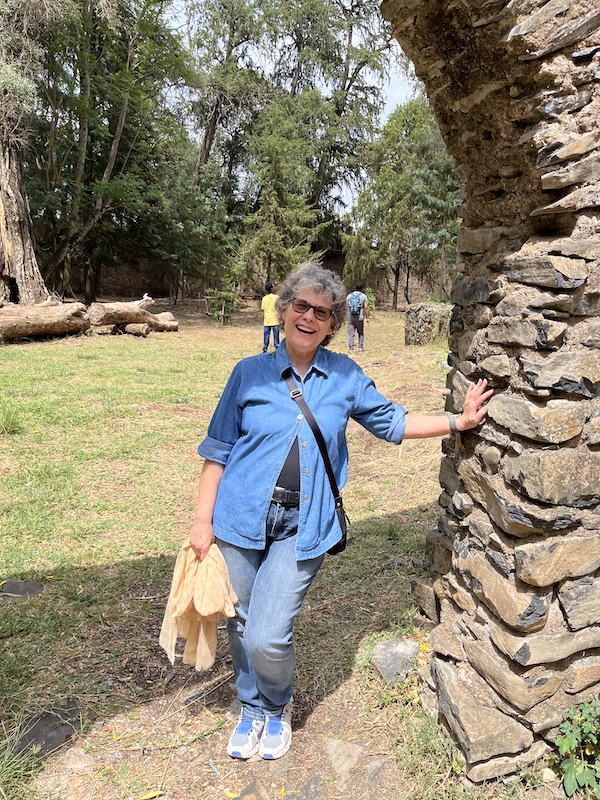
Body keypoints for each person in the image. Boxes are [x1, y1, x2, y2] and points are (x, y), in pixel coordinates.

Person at [190, 264, 492, 762]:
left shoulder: (344, 376)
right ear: (284, 309)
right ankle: (250, 707)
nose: (308, 317)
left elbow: (393, 420)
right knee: (241, 620)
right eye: (301, 306)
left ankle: (277, 704)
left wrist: (457, 420)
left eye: (321, 312)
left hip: (304, 525)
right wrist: (202, 522)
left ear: (332, 324)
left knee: (268, 631)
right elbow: (218, 448)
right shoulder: (248, 373)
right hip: (239, 516)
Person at [346, 281, 369, 353]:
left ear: (354, 287)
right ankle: (360, 348)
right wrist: (367, 317)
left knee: (351, 333)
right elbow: (366, 307)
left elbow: (346, 307)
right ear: (362, 288)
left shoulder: (349, 296)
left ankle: (351, 349)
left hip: (351, 318)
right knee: (360, 332)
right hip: (360, 317)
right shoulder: (363, 296)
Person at [261, 281, 279, 352]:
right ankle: (277, 348)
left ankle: (265, 349)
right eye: (273, 287)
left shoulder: (264, 298)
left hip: (267, 319)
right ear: (271, 289)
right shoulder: (276, 297)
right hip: (275, 319)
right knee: (276, 336)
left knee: (266, 336)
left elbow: (263, 308)